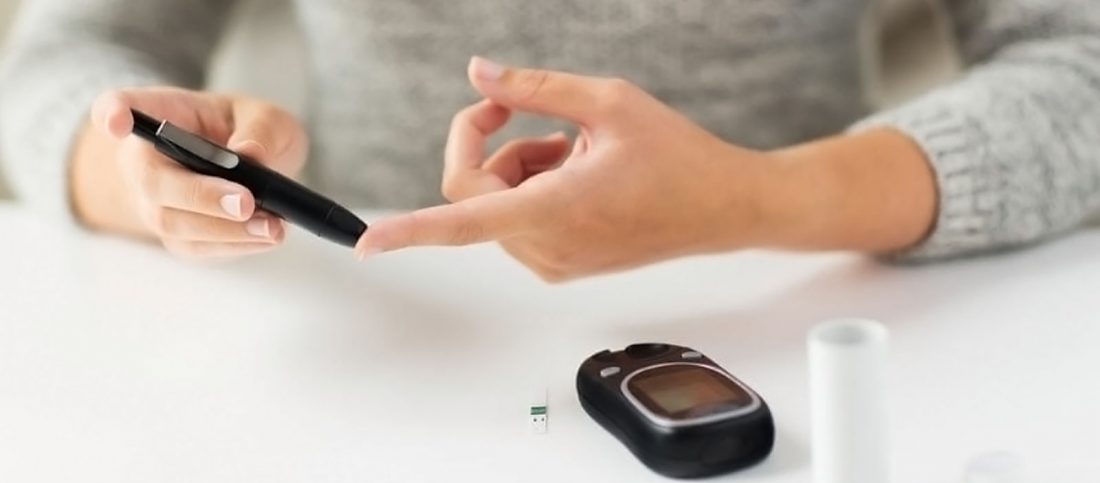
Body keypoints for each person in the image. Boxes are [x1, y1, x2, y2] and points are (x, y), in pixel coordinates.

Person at [1, 1, 1098, 281]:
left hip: (807, 305)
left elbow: (1076, 59)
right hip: (375, 334)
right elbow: (70, 49)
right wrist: (137, 176)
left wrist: (761, 199)